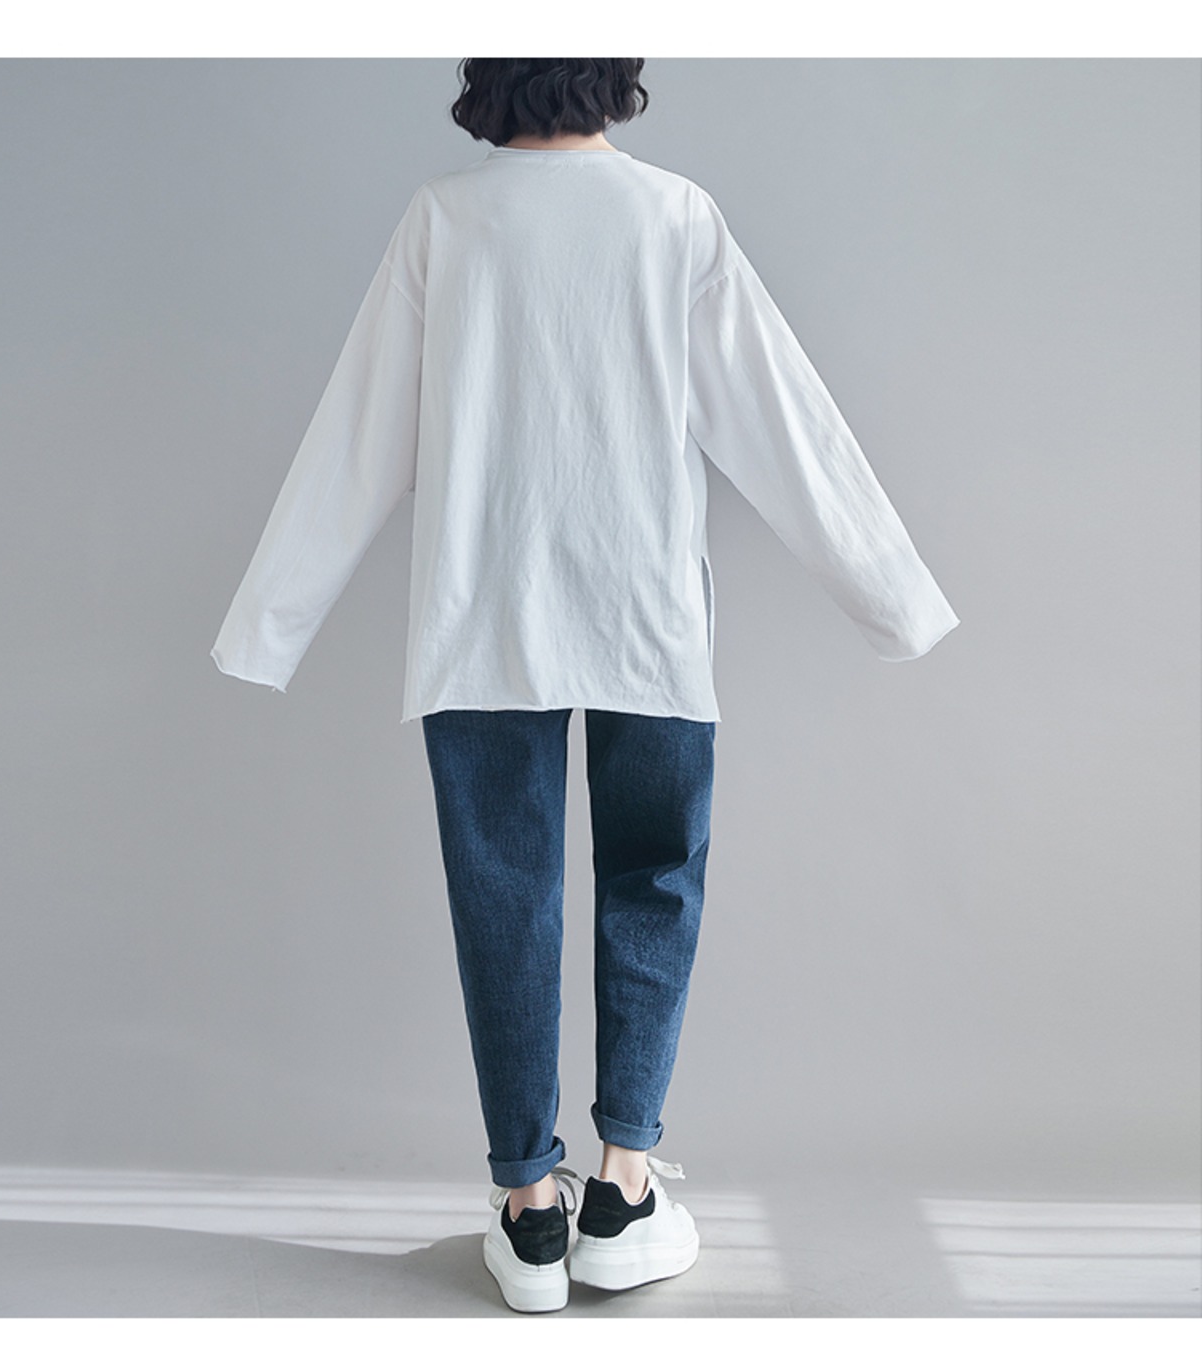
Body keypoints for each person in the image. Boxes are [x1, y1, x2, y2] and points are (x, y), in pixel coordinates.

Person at [209, 58, 960, 1313]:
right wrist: (895, 598)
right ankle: (621, 1187)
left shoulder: (443, 222)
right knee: (652, 878)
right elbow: (783, 421)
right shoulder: (672, 218)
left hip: (478, 616)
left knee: (503, 897)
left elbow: (356, 433)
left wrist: (266, 626)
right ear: (614, 67)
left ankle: (526, 1208)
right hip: (642, 616)